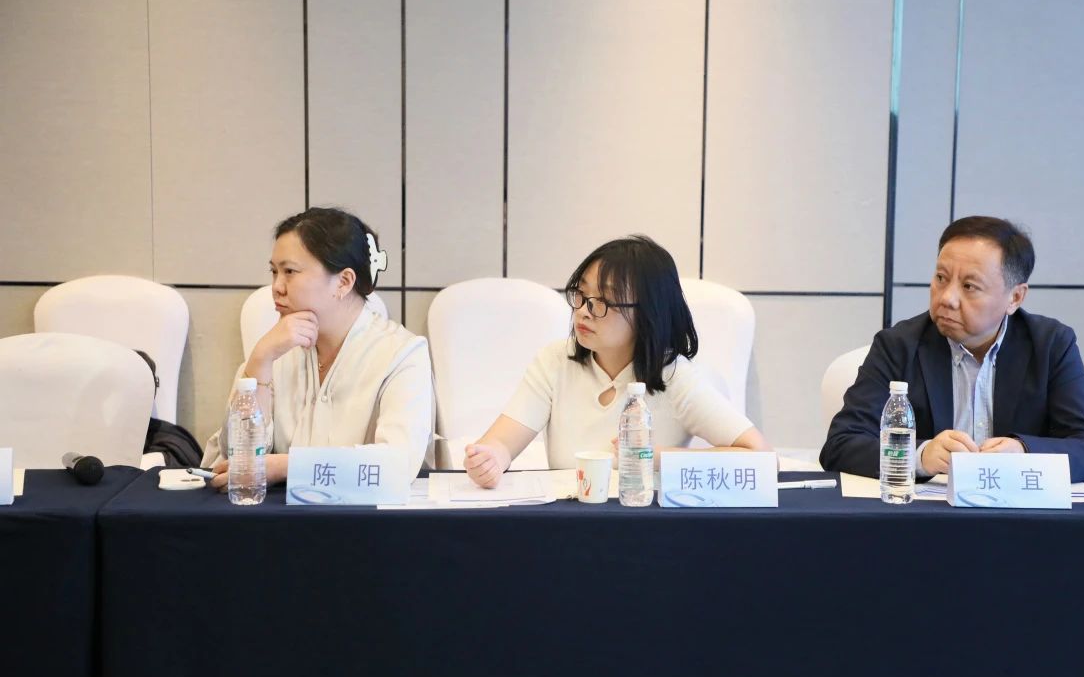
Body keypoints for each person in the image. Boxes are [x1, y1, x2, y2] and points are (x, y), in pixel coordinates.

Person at [820, 216, 1084, 484]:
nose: (947, 298)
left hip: (1019, 514)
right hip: (928, 514)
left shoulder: (1050, 345)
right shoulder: (899, 345)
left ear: (1015, 297)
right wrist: (920, 456)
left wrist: (1023, 452)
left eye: (969, 286)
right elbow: (841, 445)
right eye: (941, 278)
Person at [464, 235, 767, 488]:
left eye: (603, 302)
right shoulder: (555, 361)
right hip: (566, 521)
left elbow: (760, 456)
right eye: (581, 294)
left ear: (647, 313)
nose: (583, 311)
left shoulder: (674, 376)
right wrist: (490, 459)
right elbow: (501, 444)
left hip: (644, 523)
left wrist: (653, 457)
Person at [200, 207, 433, 490]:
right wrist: (260, 360)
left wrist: (285, 467)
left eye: (289, 272)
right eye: (274, 272)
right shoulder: (275, 348)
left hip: (364, 515)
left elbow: (397, 465)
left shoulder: (402, 353)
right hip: (277, 513)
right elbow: (238, 460)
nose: (276, 287)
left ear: (344, 282)